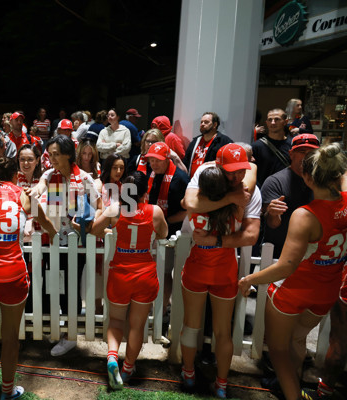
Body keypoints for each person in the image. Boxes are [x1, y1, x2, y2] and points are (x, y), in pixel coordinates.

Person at [238, 143, 347, 400]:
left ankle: (292, 396)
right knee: (297, 341)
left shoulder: (305, 215)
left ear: (308, 178)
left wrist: (249, 279)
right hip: (326, 292)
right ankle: (294, 388)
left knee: (276, 350)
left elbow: (287, 266)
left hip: (294, 291)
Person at [0, 156, 56, 400]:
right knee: (10, 338)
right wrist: (53, 231)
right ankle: (7, 392)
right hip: (12, 272)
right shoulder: (24, 195)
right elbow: (46, 222)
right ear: (16, 175)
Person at [180, 144, 261, 399]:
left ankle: (189, 374)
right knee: (222, 331)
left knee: (192, 326)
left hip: (198, 265)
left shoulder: (202, 194)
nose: (237, 177)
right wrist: (234, 196)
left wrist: (210, 240)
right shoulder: (241, 199)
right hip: (225, 268)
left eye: (241, 172)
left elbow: (188, 202)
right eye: (231, 173)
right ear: (219, 168)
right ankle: (222, 384)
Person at [91, 171, 168, 390]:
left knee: (116, 322)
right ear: (145, 192)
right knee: (137, 326)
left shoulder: (115, 210)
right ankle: (127, 368)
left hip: (120, 273)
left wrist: (110, 229)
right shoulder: (155, 211)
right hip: (145, 273)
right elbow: (163, 234)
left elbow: (95, 229)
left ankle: (112, 358)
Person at [29, 134, 100, 356]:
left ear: (69, 154)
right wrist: (36, 191)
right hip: (53, 241)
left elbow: (99, 206)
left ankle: (70, 336)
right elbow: (40, 184)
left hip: (77, 244)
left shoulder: (85, 179)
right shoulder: (50, 175)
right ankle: (60, 330)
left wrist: (87, 223)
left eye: (56, 154)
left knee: (71, 288)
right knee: (55, 287)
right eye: (50, 154)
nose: (52, 159)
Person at [145, 142, 189, 315]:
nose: (154, 164)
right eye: (151, 161)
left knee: (165, 271)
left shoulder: (180, 179)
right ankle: (151, 306)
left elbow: (186, 212)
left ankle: (162, 309)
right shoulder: (153, 175)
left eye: (158, 160)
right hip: (153, 231)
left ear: (167, 159)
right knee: (153, 270)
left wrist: (163, 221)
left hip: (172, 233)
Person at [261, 134, 320, 259]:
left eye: (312, 152)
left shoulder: (324, 182)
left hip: (316, 252)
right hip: (281, 252)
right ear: (291, 154)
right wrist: (273, 214)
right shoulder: (275, 181)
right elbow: (271, 225)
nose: (307, 157)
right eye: (302, 152)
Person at [183, 112, 233, 178]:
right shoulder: (195, 141)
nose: (202, 124)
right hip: (192, 182)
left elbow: (230, 162)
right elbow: (186, 162)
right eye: (201, 122)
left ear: (215, 124)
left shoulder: (224, 141)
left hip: (211, 182)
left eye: (206, 122)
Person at [252, 108, 292, 187]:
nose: (273, 123)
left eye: (277, 119)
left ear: (285, 122)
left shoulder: (292, 145)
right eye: (270, 120)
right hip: (264, 191)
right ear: (266, 122)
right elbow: (252, 173)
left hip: (287, 189)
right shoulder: (257, 146)